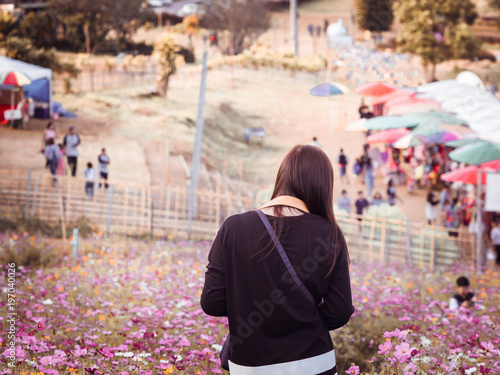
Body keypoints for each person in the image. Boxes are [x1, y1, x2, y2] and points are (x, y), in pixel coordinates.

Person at [201, 145, 354, 374]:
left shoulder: (233, 228)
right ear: (323, 187)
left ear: (282, 178)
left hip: (249, 366)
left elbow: (212, 302)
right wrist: (298, 318)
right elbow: (339, 311)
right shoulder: (329, 234)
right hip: (313, 363)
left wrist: (250, 312)